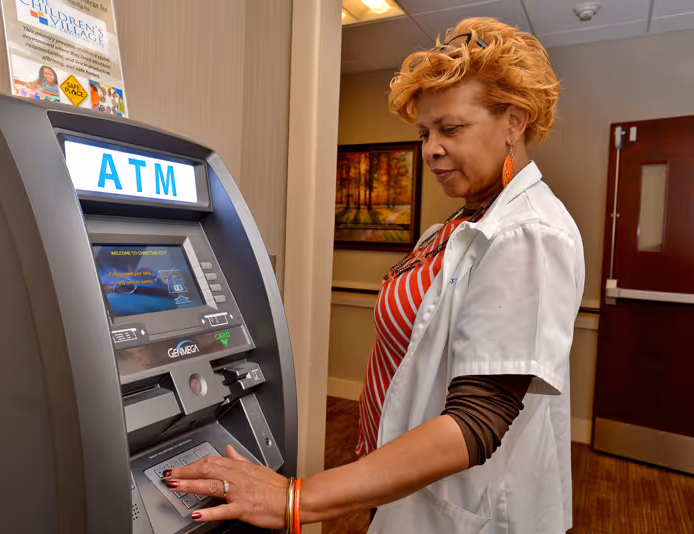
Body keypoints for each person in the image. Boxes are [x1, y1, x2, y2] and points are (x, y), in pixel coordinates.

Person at [166, 17, 583, 534]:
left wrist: (298, 499)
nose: (430, 148)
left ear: (514, 122)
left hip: (466, 507)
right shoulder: (458, 224)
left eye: (450, 129)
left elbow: (477, 420)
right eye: (425, 132)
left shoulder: (528, 234)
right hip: (398, 476)